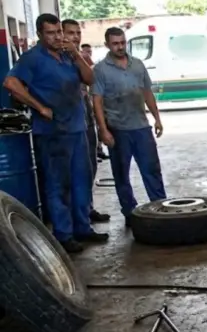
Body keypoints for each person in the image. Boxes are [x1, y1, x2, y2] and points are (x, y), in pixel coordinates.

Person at [2, 13, 109, 253]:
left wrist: (76, 54)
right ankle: (64, 234)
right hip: (51, 132)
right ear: (40, 34)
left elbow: (90, 79)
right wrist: (39, 107)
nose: (57, 37)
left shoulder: (67, 56)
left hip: (77, 127)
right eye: (51, 33)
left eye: (59, 32)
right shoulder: (32, 58)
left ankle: (83, 228)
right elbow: (11, 84)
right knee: (57, 185)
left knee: (81, 180)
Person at [92, 27, 167, 227]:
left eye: (122, 43)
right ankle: (129, 213)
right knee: (121, 174)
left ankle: (160, 208)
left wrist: (157, 118)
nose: (120, 47)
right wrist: (103, 129)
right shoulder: (100, 70)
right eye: (115, 43)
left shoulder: (137, 65)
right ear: (107, 45)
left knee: (151, 170)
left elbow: (147, 93)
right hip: (117, 129)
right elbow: (97, 101)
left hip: (141, 127)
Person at [62, 20, 111, 224]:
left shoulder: (78, 58)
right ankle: (74, 217)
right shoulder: (57, 58)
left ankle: (86, 208)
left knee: (89, 166)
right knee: (70, 174)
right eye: (70, 33)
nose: (75, 37)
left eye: (77, 33)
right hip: (65, 123)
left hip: (85, 115)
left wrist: (77, 55)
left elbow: (91, 79)